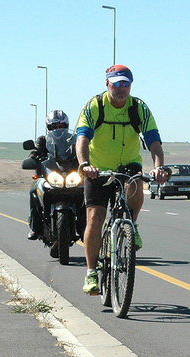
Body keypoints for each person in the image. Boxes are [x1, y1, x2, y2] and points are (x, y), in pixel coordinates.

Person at [75, 64, 170, 295]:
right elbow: (82, 139)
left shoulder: (138, 108)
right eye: (116, 83)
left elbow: (154, 142)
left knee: (137, 183)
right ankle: (91, 273)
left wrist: (159, 168)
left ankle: (131, 226)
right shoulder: (95, 106)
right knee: (95, 217)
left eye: (125, 83)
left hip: (128, 164)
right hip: (97, 168)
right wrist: (85, 165)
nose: (121, 88)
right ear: (107, 83)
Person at [27, 110, 71, 243]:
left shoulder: (73, 139)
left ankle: (87, 227)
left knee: (88, 192)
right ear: (49, 127)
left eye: (61, 126)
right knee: (34, 192)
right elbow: (35, 151)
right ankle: (35, 227)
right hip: (49, 176)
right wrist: (33, 158)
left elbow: (83, 150)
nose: (58, 129)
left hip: (70, 175)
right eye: (54, 127)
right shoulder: (43, 140)